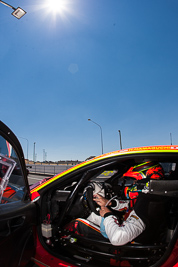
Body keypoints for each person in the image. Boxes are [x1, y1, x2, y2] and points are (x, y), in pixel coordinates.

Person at [65, 161, 167, 246]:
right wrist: (110, 203)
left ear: (145, 183)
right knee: (93, 215)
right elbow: (129, 205)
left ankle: (61, 244)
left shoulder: (144, 210)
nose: (133, 184)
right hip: (129, 233)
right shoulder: (151, 200)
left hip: (125, 248)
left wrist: (108, 215)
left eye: (135, 181)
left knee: (77, 224)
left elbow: (117, 239)